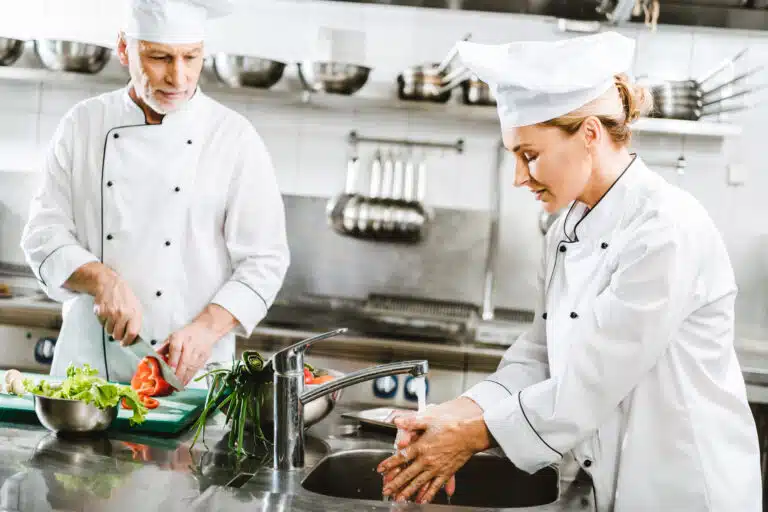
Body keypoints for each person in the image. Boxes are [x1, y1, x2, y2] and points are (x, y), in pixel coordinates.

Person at [377, 32, 762, 511]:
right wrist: (457, 412)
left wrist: (469, 437)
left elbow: (589, 383)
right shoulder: (566, 229)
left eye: (529, 154)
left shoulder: (664, 230)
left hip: (684, 488)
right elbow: (541, 353)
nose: (519, 177)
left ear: (589, 135)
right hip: (609, 486)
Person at [20, 0, 289, 387]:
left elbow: (265, 261)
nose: (178, 78)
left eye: (191, 58)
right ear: (124, 49)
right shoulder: (83, 124)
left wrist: (207, 328)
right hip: (89, 375)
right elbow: (43, 234)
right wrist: (100, 279)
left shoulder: (232, 137)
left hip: (192, 375)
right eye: (160, 57)